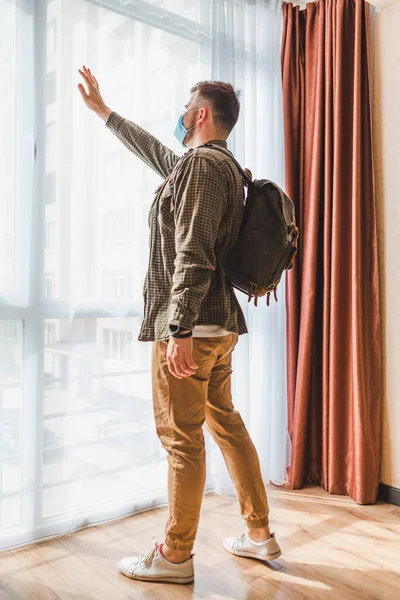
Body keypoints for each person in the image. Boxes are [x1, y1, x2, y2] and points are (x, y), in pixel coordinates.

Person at [78, 66, 282, 585]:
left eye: (185, 106)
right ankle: (259, 534)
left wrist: (178, 329)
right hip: (221, 327)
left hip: (196, 327)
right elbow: (157, 155)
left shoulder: (202, 169)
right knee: (225, 424)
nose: (179, 114)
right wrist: (105, 113)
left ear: (199, 114)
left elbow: (191, 253)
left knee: (182, 440)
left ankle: (174, 555)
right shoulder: (217, 169)